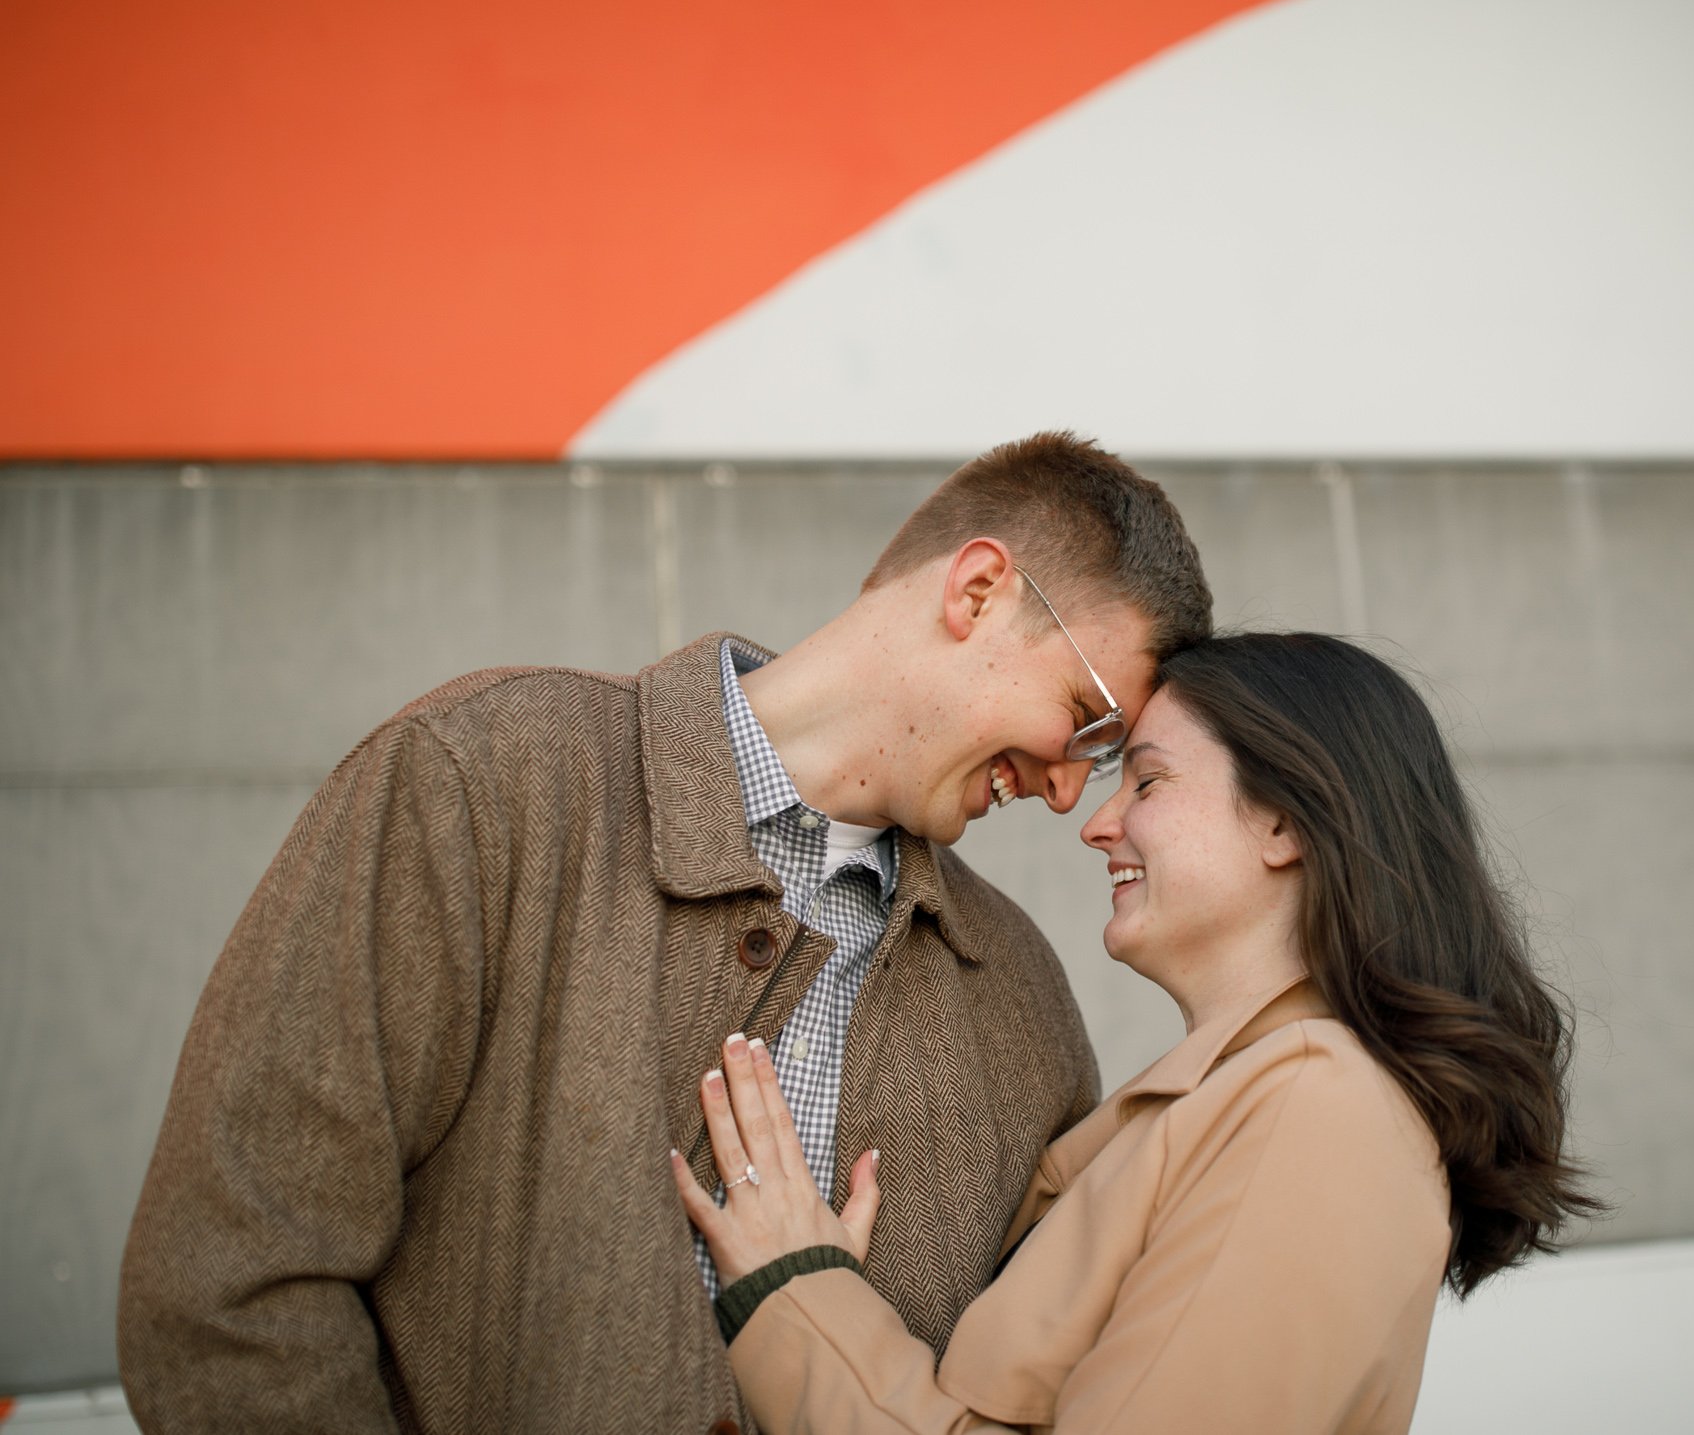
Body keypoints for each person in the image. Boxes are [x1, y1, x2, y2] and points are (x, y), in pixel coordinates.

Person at [118, 433, 1213, 1433]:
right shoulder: (480, 784)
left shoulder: (1023, 997)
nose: (1069, 793)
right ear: (977, 591)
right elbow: (237, 1282)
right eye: (1085, 719)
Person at [677, 631, 1603, 1433]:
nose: (1098, 821)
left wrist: (796, 1289)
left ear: (1285, 818)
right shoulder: (1228, 1104)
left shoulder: (1314, 1112)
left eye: (1149, 780)